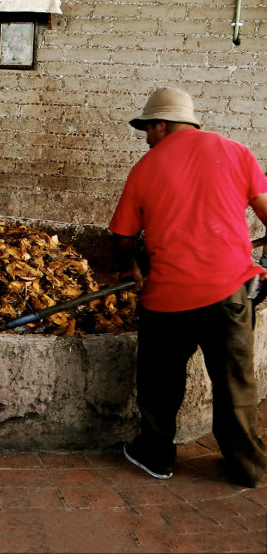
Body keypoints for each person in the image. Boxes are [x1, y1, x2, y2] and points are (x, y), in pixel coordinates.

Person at [109, 87, 267, 488]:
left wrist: (131, 270)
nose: (145, 138)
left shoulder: (144, 169)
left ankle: (157, 455)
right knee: (235, 384)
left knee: (160, 382)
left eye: (147, 129)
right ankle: (246, 466)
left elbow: (123, 236)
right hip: (229, 291)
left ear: (162, 124)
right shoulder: (236, 151)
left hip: (167, 299)